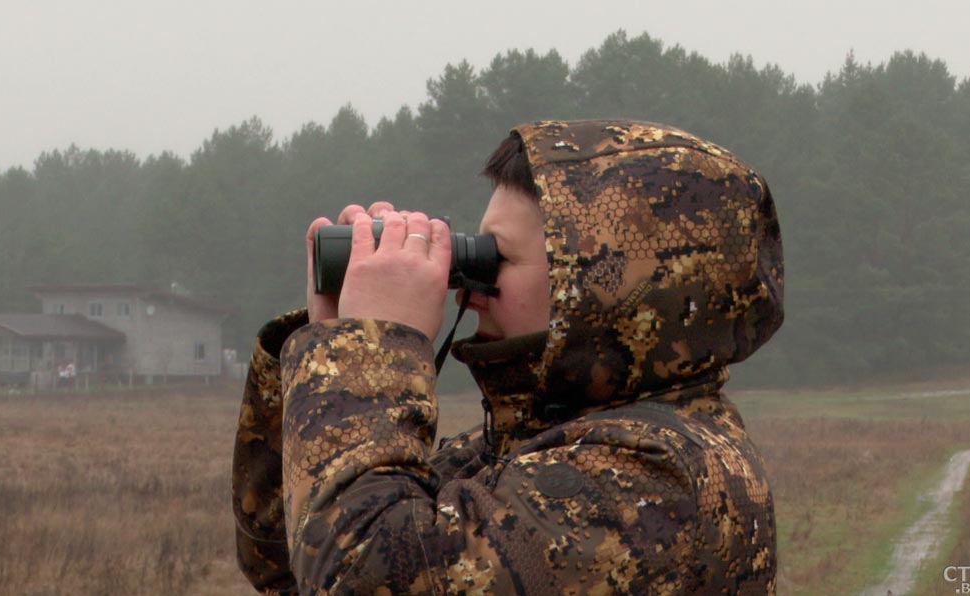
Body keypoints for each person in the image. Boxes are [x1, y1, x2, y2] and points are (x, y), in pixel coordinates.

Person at [232, 119, 784, 595]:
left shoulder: (660, 478)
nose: (470, 287)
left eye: (499, 259)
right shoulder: (530, 442)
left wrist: (371, 352)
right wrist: (331, 345)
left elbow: (360, 575)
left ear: (597, 288)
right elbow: (287, 560)